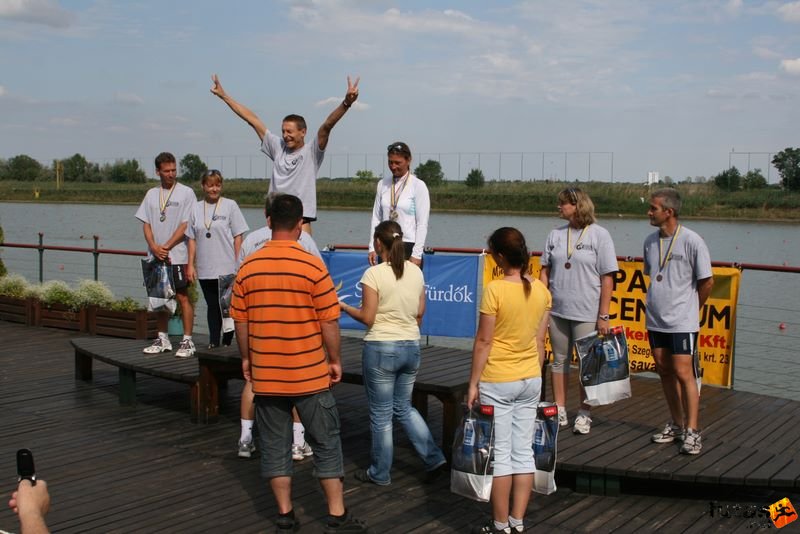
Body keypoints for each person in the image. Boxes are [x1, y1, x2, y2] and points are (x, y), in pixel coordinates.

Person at [230, 194, 368, 533]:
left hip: (267, 374)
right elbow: (329, 322)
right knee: (325, 442)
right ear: (300, 224)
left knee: (274, 445)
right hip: (309, 374)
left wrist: (248, 358)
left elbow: (241, 323)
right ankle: (336, 515)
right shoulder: (313, 266)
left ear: (268, 221)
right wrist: (335, 360)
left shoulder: (249, 267)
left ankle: (285, 514)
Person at [340, 220, 446, 486]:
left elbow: (367, 317)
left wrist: (341, 305)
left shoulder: (374, 274)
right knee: (404, 408)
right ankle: (434, 458)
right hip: (411, 345)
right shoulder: (416, 272)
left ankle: (380, 472)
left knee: (381, 415)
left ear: (378, 243)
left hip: (381, 348)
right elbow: (420, 312)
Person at [467, 227, 551, 534]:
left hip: (498, 379)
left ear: (501, 257)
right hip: (530, 377)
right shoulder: (542, 290)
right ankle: (517, 521)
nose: (490, 257)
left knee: (500, 456)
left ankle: (500, 525)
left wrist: (473, 383)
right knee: (523, 452)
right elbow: (541, 342)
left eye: (491, 253)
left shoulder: (495, 289)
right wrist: (535, 375)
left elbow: (483, 341)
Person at [210, 74, 360, 235]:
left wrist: (346, 103)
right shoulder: (277, 146)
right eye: (283, 131)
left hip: (300, 221)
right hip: (275, 220)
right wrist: (224, 96)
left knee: (302, 257)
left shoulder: (312, 151)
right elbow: (252, 119)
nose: (285, 135)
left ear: (303, 132)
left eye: (290, 131)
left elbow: (327, 126)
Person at [235, 195, 321, 460]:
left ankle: (246, 440)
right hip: (294, 323)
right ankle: (297, 443)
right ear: (297, 220)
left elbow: (239, 280)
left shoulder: (250, 240)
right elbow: (319, 274)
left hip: (258, 322)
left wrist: (246, 354)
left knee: (253, 381)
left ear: (266, 214)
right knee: (298, 384)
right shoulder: (303, 239)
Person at [539, 187, 618, 435]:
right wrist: (542, 304)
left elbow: (607, 278)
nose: (558, 208)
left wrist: (603, 315)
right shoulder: (555, 234)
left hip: (587, 310)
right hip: (559, 309)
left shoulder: (599, 235)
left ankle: (584, 412)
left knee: (587, 364)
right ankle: (560, 408)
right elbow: (544, 271)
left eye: (563, 204)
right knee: (559, 360)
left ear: (577, 205)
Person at [644, 188, 713, 455]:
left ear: (668, 212)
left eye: (653, 208)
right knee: (663, 370)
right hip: (656, 320)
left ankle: (693, 431)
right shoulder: (650, 241)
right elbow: (654, 275)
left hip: (683, 322)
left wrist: (692, 310)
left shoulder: (692, 241)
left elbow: (707, 282)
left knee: (685, 373)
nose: (649, 213)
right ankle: (676, 423)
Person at [135, 152, 197, 358]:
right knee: (159, 298)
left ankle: (187, 341)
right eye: (167, 171)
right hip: (155, 256)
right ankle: (162, 339)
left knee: (182, 297)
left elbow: (186, 224)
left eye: (173, 170)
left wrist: (167, 246)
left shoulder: (186, 193)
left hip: (177, 256)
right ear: (158, 172)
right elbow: (146, 224)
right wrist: (153, 246)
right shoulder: (151, 194)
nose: (171, 174)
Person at [186, 169, 248, 349]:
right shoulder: (195, 208)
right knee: (212, 305)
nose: (214, 189)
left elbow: (238, 236)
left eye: (217, 185)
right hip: (206, 267)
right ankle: (214, 341)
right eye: (210, 185)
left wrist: (239, 264)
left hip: (227, 266)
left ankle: (228, 340)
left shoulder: (230, 205)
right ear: (203, 186)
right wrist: (191, 265)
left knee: (226, 306)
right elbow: (191, 239)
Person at [367, 142, 430, 267]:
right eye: (390, 162)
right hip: (384, 247)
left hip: (407, 246)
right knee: (384, 286)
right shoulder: (382, 184)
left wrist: (417, 254)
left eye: (398, 162)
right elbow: (376, 218)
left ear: (408, 160)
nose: (393, 166)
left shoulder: (418, 186)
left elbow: (422, 223)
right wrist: (372, 247)